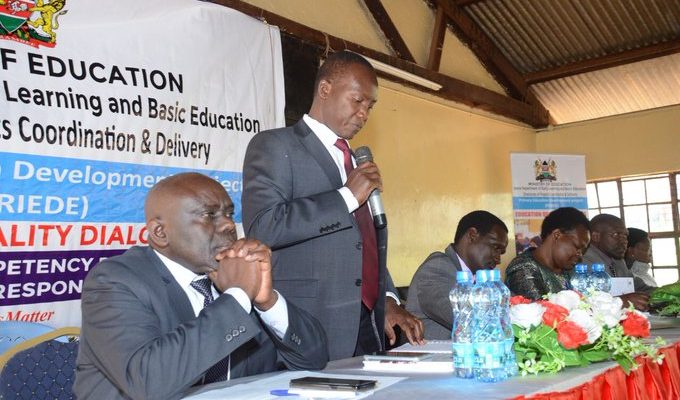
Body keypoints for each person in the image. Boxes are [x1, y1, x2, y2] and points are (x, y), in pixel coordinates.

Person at [74, 173, 328, 400]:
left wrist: (266, 301)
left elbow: (313, 360)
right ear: (160, 232)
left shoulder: (234, 274)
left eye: (229, 214)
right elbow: (149, 382)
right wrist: (238, 296)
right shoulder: (115, 281)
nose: (229, 225)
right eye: (209, 215)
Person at [242, 50, 424, 360]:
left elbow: (363, 242)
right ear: (325, 90)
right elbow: (264, 227)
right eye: (357, 101)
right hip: (308, 325)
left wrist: (387, 298)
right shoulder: (275, 145)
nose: (364, 114)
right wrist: (346, 197)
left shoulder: (355, 160)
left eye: (370, 106)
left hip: (367, 324)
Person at [406, 211, 509, 339]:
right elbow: (465, 318)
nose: (498, 259)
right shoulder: (438, 267)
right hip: (437, 351)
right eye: (495, 247)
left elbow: (510, 303)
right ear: (472, 235)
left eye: (501, 252)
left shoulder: (483, 278)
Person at [505, 207, 590, 300]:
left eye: (583, 250)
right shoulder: (522, 269)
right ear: (557, 235)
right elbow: (541, 308)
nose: (580, 255)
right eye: (577, 247)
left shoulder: (567, 270)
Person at [582, 214, 653, 310]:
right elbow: (587, 302)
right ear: (595, 236)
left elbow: (640, 287)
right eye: (616, 235)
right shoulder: (583, 261)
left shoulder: (618, 261)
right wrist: (622, 301)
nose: (624, 241)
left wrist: (667, 293)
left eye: (625, 236)